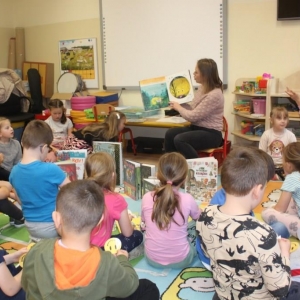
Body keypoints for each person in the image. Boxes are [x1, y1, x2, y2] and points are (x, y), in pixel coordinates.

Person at [21, 180, 160, 300]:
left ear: (56, 218)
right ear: (100, 220)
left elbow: (27, 287)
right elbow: (130, 285)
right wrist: (123, 259)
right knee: (148, 288)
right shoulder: (106, 262)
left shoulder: (37, 251)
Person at [196, 147, 291, 300]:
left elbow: (207, 251)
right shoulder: (264, 234)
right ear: (257, 190)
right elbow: (280, 289)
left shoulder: (205, 215)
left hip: (224, 294)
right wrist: (285, 254)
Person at [196, 147, 278, 269]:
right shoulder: (256, 230)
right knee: (278, 231)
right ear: (256, 190)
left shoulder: (206, 212)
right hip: (231, 270)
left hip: (208, 260)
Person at [9, 120, 70, 240]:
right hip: (53, 225)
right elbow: (71, 191)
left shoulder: (14, 172)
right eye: (48, 150)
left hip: (30, 225)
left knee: (40, 250)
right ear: (44, 147)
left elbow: (20, 200)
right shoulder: (50, 169)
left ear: (22, 143)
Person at [141, 152, 201, 268]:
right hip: (182, 260)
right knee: (196, 227)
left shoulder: (146, 197)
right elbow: (198, 218)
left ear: (158, 175)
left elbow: (143, 223)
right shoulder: (188, 199)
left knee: (146, 230)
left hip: (152, 259)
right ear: (184, 178)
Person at [164, 58, 224, 159]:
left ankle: (197, 168)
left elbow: (192, 116)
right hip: (197, 128)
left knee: (180, 139)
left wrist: (178, 107)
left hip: (211, 134)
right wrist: (179, 103)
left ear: (205, 75)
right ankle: (172, 166)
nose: (193, 74)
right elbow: (193, 108)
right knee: (170, 134)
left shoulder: (215, 94)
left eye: (196, 72)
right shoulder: (202, 88)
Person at [85, 152, 143, 253]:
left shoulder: (78, 193)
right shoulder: (116, 199)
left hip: (78, 247)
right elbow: (127, 233)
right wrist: (129, 222)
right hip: (101, 251)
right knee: (137, 235)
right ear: (112, 176)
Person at [262, 142, 300, 239]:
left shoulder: (292, 178)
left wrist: (272, 208)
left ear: (288, 165)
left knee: (267, 213)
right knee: (292, 201)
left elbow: (280, 209)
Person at [259, 106, 296, 180]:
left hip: (286, 168)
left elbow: (294, 155)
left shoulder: (290, 135)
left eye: (285, 118)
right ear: (271, 120)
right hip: (269, 167)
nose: (283, 121)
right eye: (279, 118)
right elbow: (261, 153)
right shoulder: (266, 134)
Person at [0, 117, 22, 181]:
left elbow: (18, 162)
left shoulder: (16, 143)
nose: (11, 129)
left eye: (11, 126)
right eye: (7, 128)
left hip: (12, 173)